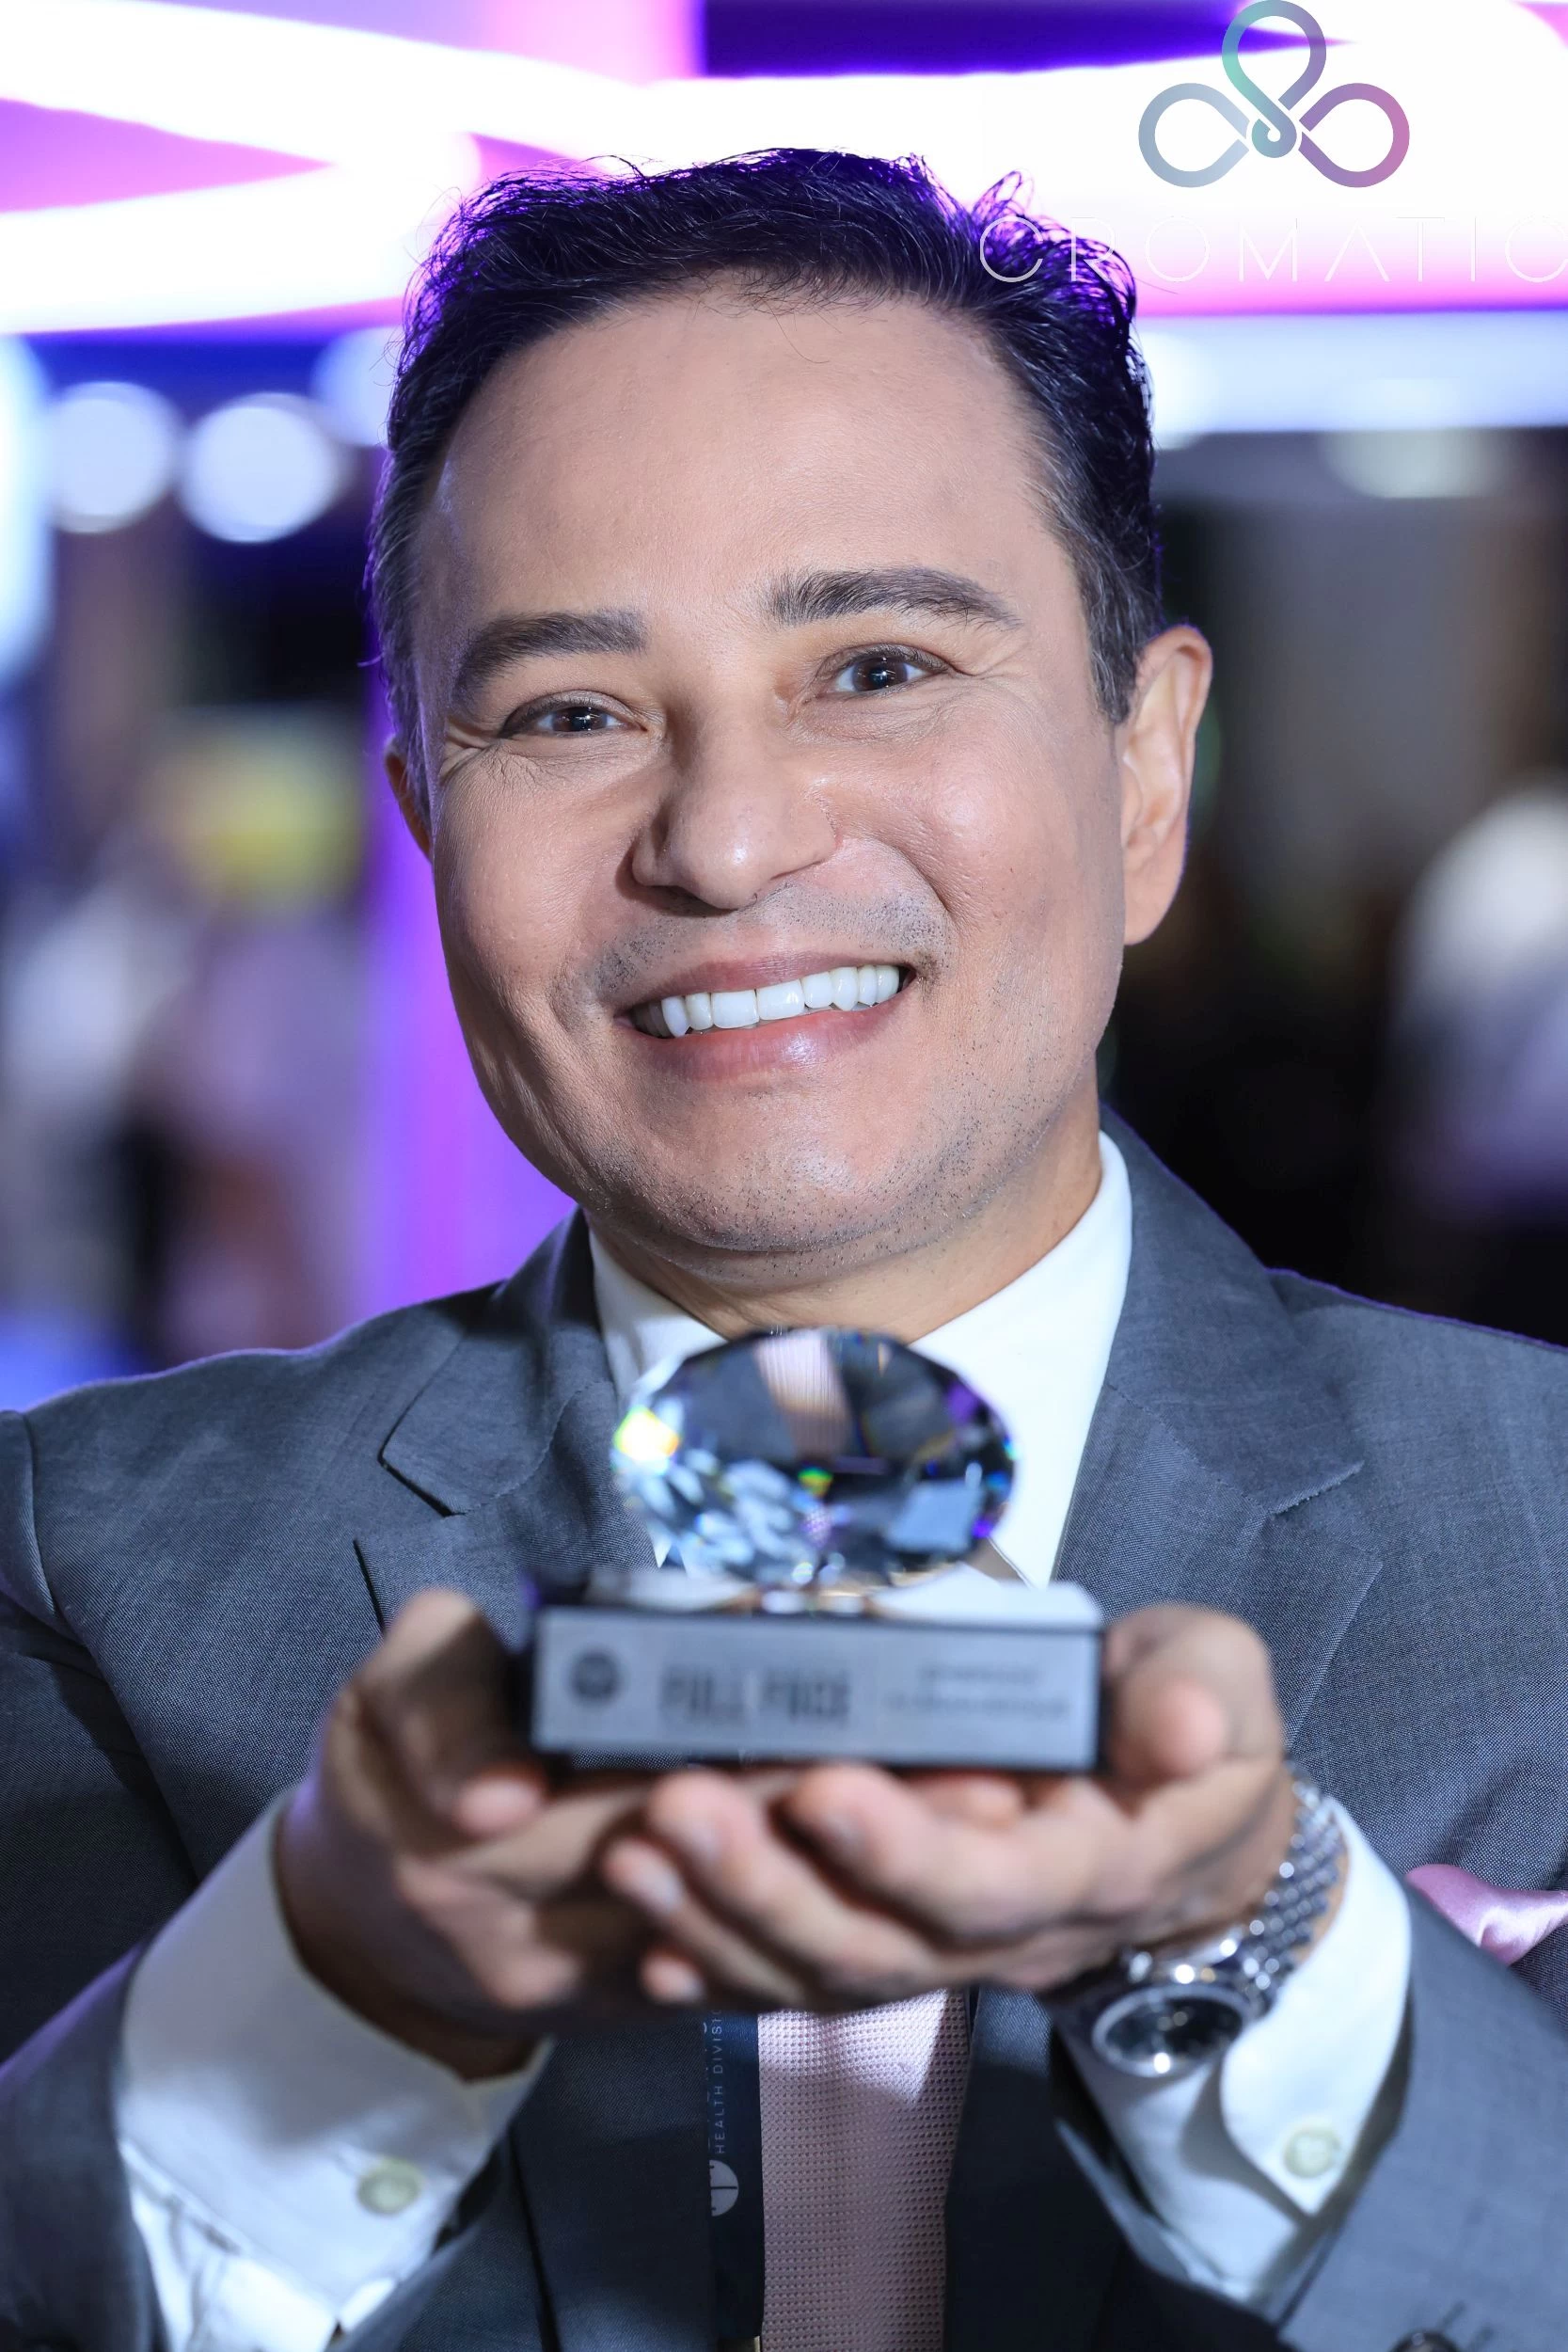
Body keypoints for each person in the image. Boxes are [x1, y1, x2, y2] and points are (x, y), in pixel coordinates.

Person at [3, 149, 1567, 2352]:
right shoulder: (92, 1563)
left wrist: (1271, 1945)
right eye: (567, 712)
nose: (728, 840)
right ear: (423, 817)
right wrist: (331, 1987)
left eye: (876, 664)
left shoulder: (1541, 1521)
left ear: (1144, 768)